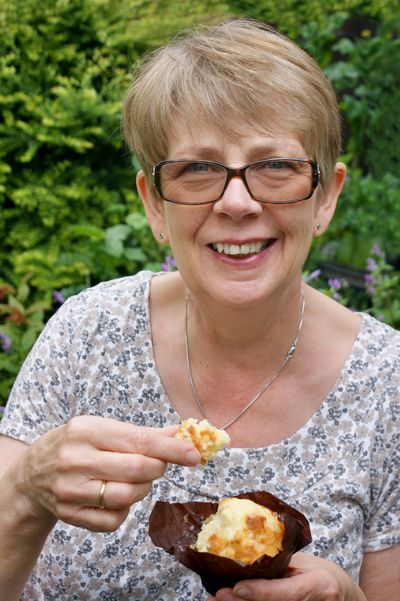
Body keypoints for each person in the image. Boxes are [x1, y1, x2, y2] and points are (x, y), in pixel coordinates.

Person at [0, 18, 399, 601]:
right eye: (198, 169)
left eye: (275, 166)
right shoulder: (85, 334)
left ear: (327, 195)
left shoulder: (389, 386)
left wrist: (349, 597)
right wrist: (22, 497)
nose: (237, 202)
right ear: (154, 205)